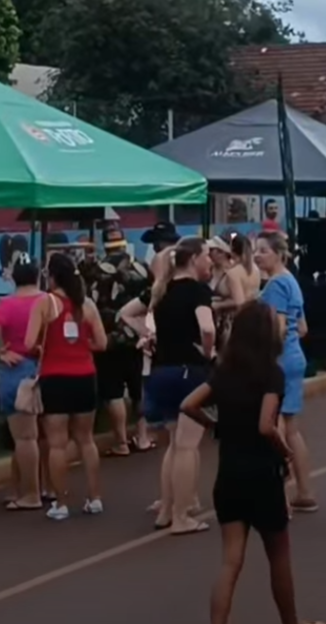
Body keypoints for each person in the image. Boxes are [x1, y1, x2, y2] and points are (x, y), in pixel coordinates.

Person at [181, 301, 326, 624]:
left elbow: (188, 404)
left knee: (230, 562)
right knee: (278, 555)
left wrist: (214, 426)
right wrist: (285, 449)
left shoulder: (224, 371)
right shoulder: (270, 373)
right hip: (263, 475)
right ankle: (291, 623)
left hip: (229, 474)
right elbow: (265, 425)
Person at [123, 236, 216, 534]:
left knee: (174, 445)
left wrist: (150, 337)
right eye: (207, 255)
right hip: (189, 370)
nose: (210, 260)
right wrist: (208, 350)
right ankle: (181, 515)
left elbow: (128, 314)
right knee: (188, 446)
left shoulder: (161, 291)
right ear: (194, 259)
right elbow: (207, 327)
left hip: (161, 370)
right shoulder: (198, 291)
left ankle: (167, 507)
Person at [32, 251, 108, 519]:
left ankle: (60, 503)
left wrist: (47, 346)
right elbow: (102, 343)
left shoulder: (46, 302)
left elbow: (30, 343)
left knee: (56, 443)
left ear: (51, 276)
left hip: (55, 377)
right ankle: (95, 497)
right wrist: (79, 345)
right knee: (86, 440)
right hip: (85, 375)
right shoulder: (86, 305)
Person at [255, 231, 318, 513]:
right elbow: (302, 327)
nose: (257, 255)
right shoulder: (291, 281)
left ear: (279, 254)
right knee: (291, 429)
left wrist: (265, 353)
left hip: (279, 360)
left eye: (263, 250)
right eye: (256, 250)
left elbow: (278, 328)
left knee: (274, 427)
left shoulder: (276, 285)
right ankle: (304, 490)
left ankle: (278, 497)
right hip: (295, 357)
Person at [0, 261, 44, 511]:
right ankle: (25, 488)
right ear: (38, 276)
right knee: (38, 436)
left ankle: (30, 493)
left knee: (24, 437)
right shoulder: (49, 302)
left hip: (17, 370)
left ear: (13, 279)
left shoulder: (6, 305)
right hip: (47, 367)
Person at [92, 226, 154, 457]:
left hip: (108, 338)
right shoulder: (141, 267)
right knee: (138, 389)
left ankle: (121, 442)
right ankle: (143, 437)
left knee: (114, 392)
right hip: (137, 336)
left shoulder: (95, 270)